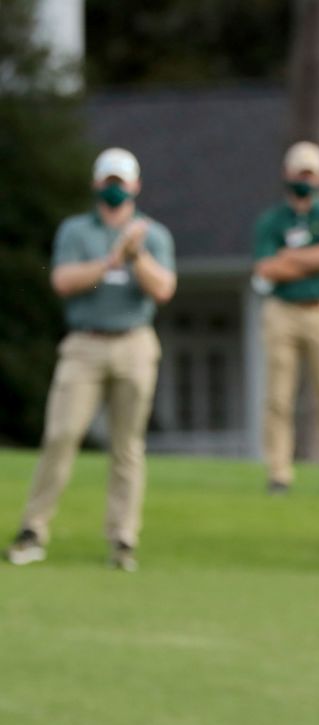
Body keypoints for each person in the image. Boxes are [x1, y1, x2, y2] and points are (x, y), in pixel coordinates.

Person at [6, 147, 176, 572]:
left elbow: (163, 290)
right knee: (61, 435)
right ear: (97, 184)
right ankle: (33, 529)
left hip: (134, 342)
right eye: (108, 181)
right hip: (84, 344)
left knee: (127, 446)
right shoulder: (76, 231)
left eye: (122, 182)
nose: (115, 189)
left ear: (135, 186)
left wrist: (136, 256)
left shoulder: (152, 235)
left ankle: (122, 538)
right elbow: (63, 280)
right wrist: (110, 260)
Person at [252, 141, 319, 494]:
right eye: (299, 172)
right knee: (278, 396)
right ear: (287, 173)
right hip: (282, 310)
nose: (304, 178)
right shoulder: (272, 219)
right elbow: (266, 268)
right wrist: (307, 260)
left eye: (310, 173)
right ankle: (279, 471)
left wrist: (290, 258)